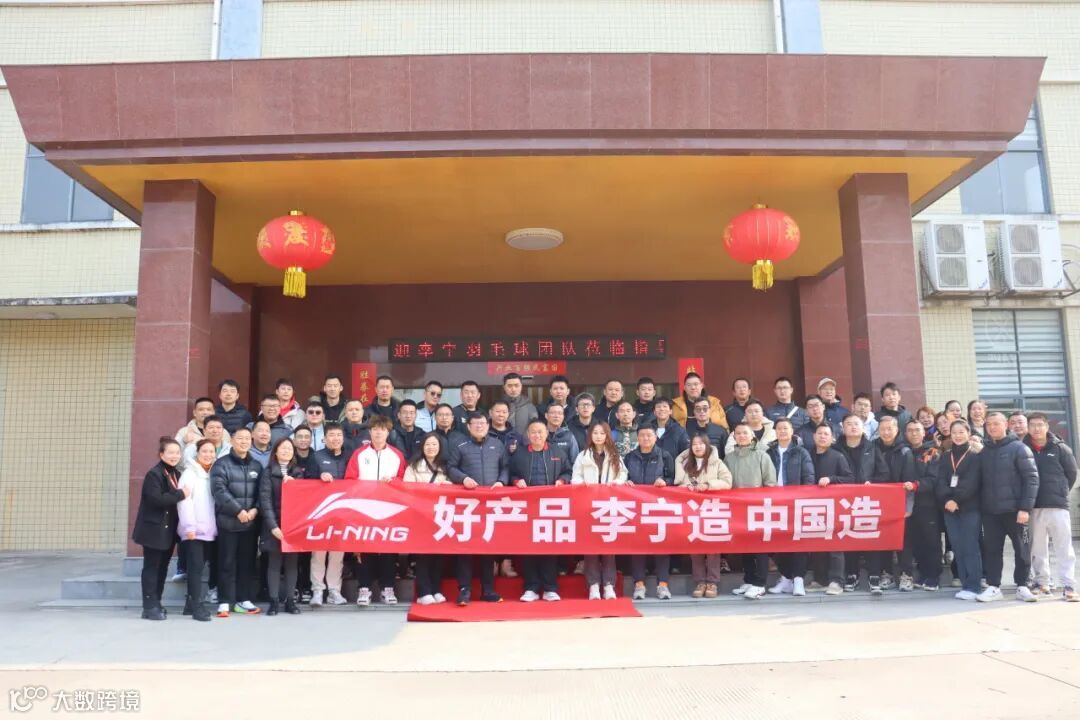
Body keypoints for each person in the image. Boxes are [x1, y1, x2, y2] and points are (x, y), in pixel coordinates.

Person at [343, 415, 406, 605]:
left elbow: (404, 480)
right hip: (364, 508)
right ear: (369, 432)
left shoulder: (396, 455)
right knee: (364, 548)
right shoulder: (359, 454)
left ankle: (388, 588)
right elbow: (349, 480)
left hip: (389, 509)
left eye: (382, 429)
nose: (379, 433)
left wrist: (393, 482)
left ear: (388, 432)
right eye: (375, 429)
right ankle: (364, 588)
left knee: (388, 548)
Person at [447, 412, 509, 605]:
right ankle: (464, 590)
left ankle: (488, 590)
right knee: (465, 549)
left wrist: (501, 481)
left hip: (490, 505)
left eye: (483, 423)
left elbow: (506, 467)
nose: (480, 426)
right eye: (476, 423)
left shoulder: (498, 445)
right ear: (468, 426)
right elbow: (451, 468)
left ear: (488, 425)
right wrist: (463, 478)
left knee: (487, 548)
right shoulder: (460, 445)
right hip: (468, 506)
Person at [977, 412, 1040, 603]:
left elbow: (1031, 479)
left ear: (1006, 425)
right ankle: (994, 586)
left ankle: (1022, 585)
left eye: (996, 423)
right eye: (989, 424)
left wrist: (1025, 508)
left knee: (1022, 549)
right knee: (992, 550)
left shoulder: (1019, 448)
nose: (992, 427)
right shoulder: (984, 451)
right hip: (990, 512)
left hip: (1015, 511)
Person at [510, 420, 572, 602]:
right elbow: (511, 473)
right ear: (528, 435)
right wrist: (516, 481)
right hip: (527, 508)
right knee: (528, 548)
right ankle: (531, 588)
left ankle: (550, 588)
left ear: (546, 434)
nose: (537, 435)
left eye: (540, 432)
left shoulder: (557, 452)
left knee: (549, 548)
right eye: (533, 432)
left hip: (549, 508)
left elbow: (568, 471)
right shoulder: (519, 454)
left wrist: (562, 480)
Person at [133, 437, 190, 620]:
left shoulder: (175, 473)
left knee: (163, 568)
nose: (174, 456)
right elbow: (156, 499)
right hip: (154, 530)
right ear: (161, 454)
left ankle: (156, 602)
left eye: (177, 453)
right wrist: (181, 494)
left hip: (168, 531)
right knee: (152, 568)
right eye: (170, 452)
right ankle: (149, 606)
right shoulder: (154, 474)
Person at [1024, 412, 1078, 601]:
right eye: (1032, 425)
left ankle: (1069, 585)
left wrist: (1061, 492)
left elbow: (1071, 473)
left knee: (1064, 547)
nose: (1036, 428)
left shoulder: (1061, 448)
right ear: (1028, 428)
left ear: (1047, 427)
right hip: (1034, 506)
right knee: (1037, 548)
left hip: (1058, 506)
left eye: (1040, 424)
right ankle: (1042, 583)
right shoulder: (1023, 448)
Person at [571, 423, 627, 600]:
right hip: (588, 507)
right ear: (590, 435)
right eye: (595, 433)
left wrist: (616, 483)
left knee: (609, 547)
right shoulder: (583, 456)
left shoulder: (614, 455)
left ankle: (609, 585)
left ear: (607, 435)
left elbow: (623, 474)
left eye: (602, 433)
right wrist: (583, 484)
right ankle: (593, 585)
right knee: (591, 548)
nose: (598, 436)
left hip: (609, 506)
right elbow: (575, 477)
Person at [210, 427, 262, 617]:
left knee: (246, 562)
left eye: (247, 438)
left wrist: (255, 509)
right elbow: (219, 491)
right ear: (232, 441)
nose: (244, 442)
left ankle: (243, 599)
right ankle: (224, 601)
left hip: (250, 523)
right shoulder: (221, 464)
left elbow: (262, 492)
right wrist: (238, 510)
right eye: (240, 438)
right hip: (228, 523)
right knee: (226, 562)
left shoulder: (256, 465)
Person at [675, 434, 733, 598]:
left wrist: (708, 485)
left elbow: (727, 482)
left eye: (701, 444)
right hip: (692, 511)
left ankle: (712, 582)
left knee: (713, 548)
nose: (698, 447)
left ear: (707, 446)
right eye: (694, 444)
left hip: (711, 510)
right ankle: (700, 581)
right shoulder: (685, 463)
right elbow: (678, 484)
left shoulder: (717, 462)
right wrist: (687, 487)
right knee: (696, 547)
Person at [836, 414, 889, 592]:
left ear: (863, 427)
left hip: (867, 500)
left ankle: (874, 576)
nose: (852, 427)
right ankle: (852, 575)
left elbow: (884, 473)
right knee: (848, 536)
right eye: (848, 424)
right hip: (844, 501)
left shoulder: (872, 447)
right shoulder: (836, 448)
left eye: (856, 424)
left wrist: (872, 483)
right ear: (843, 427)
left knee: (870, 537)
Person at [725, 423, 778, 599]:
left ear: (752, 436)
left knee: (760, 546)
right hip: (738, 508)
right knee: (744, 545)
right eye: (738, 433)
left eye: (745, 433)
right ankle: (748, 579)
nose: (741, 436)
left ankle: (760, 583)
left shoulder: (762, 455)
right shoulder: (729, 458)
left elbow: (770, 483)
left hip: (758, 507)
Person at [625, 423, 676, 600]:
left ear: (655, 437)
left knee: (661, 545)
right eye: (642, 435)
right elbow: (624, 477)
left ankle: (663, 585)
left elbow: (673, 478)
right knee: (637, 546)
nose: (646, 438)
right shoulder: (629, 457)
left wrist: (665, 482)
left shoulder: (665, 455)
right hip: (636, 508)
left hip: (658, 508)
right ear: (637, 438)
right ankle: (639, 584)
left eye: (649, 435)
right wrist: (626, 482)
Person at [766, 418, 815, 597]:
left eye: (785, 428)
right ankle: (786, 578)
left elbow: (809, 477)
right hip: (774, 503)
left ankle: (798, 579)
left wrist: (804, 498)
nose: (782, 431)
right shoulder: (769, 452)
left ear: (792, 431)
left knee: (798, 541)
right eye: (779, 428)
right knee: (778, 541)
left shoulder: (801, 452)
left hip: (796, 502)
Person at [935, 420, 983, 601]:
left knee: (970, 546)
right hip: (949, 509)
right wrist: (947, 499)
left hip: (969, 508)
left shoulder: (975, 456)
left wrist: (956, 500)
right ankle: (965, 583)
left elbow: (972, 482)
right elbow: (940, 480)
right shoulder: (946, 456)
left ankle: (974, 585)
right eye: (954, 432)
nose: (957, 435)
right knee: (957, 547)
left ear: (969, 433)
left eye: (961, 432)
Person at [404, 433, 454, 605]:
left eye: (434, 444)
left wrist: (448, 486)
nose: (431, 448)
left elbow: (455, 487)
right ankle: (423, 592)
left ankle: (436, 589)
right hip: (420, 516)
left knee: (438, 556)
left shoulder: (446, 466)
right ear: (422, 447)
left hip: (440, 516)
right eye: (427, 444)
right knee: (423, 556)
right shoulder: (413, 466)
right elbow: (407, 489)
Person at [303, 423, 350, 605]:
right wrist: (319, 478)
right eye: (331, 435)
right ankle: (317, 590)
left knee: (337, 553)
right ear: (324, 439)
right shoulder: (316, 457)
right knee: (318, 553)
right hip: (321, 512)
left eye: (339, 435)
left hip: (343, 512)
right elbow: (306, 482)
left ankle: (334, 591)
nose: (335, 438)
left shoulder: (349, 456)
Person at [872, 415, 916, 593]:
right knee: (884, 539)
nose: (886, 432)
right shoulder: (872, 448)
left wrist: (908, 506)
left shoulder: (905, 451)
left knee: (903, 540)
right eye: (882, 429)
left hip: (900, 503)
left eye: (889, 429)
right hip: (878, 503)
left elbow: (910, 481)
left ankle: (906, 575)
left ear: (897, 430)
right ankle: (886, 574)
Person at [258, 437, 302, 616]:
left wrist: (294, 486)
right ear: (275, 452)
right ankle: (274, 601)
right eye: (282, 448)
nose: (286, 451)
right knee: (274, 563)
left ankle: (290, 600)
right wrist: (273, 526)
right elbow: (265, 501)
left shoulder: (298, 473)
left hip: (293, 526)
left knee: (292, 564)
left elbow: (304, 501)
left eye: (289, 448)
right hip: (274, 525)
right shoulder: (268, 473)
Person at [809, 424, 854, 595]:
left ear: (832, 438)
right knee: (816, 544)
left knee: (835, 545)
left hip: (833, 507)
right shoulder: (808, 454)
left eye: (826, 434)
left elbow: (850, 478)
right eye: (819, 433)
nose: (822, 436)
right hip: (812, 507)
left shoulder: (837, 456)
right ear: (814, 436)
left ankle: (837, 581)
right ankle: (820, 580)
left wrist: (831, 479)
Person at [177, 438, 217, 621]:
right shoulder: (190, 473)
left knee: (199, 567)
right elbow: (184, 502)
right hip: (194, 531)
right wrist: (189, 526)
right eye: (204, 451)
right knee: (195, 569)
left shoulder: (212, 472)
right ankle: (197, 606)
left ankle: (189, 604)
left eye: (211, 451)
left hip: (209, 530)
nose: (208, 455)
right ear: (197, 454)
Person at [903, 420, 943, 591]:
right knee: (916, 542)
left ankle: (934, 577)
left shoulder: (933, 452)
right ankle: (922, 574)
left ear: (923, 433)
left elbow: (934, 479)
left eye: (917, 430)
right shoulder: (903, 451)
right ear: (905, 434)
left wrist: (916, 485)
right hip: (907, 506)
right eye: (910, 430)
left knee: (931, 541)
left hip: (928, 504)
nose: (914, 433)